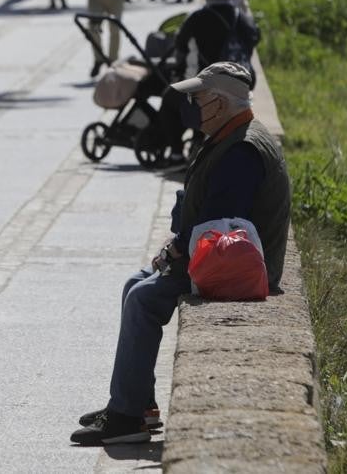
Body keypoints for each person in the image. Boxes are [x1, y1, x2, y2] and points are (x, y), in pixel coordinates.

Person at [69, 62, 291, 446]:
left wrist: (174, 250)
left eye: (199, 99)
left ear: (220, 103)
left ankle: (125, 419)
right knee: (136, 283)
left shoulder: (241, 151)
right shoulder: (232, 135)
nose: (192, 107)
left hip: (240, 267)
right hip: (232, 256)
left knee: (142, 297)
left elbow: (219, 226)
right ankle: (138, 404)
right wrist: (175, 248)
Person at [159, 0, 261, 163]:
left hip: (212, 84)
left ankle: (176, 153)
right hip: (243, 83)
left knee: (169, 100)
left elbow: (180, 44)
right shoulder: (244, 18)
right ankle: (199, 140)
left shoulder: (198, 17)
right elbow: (255, 38)